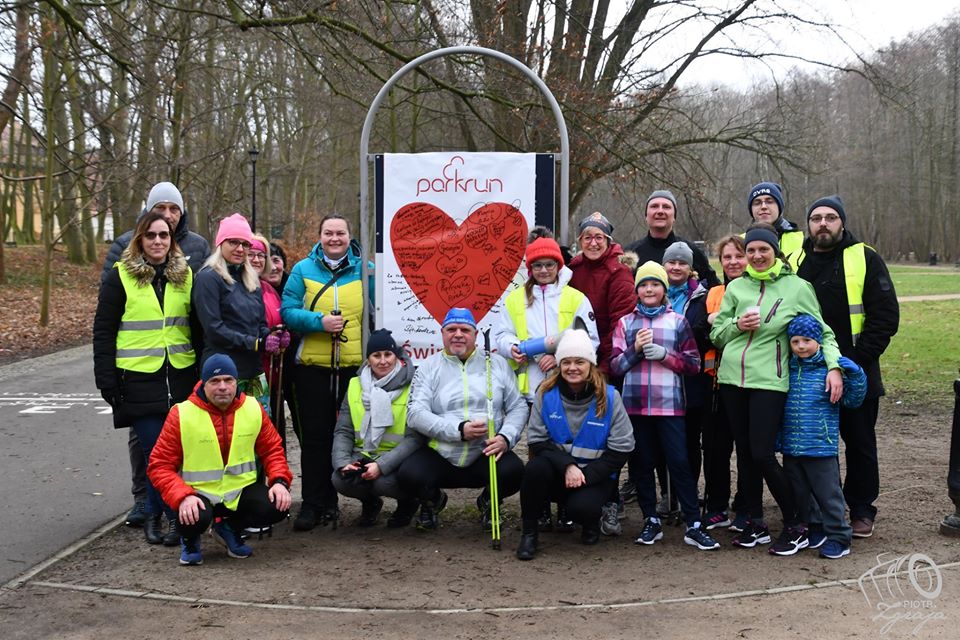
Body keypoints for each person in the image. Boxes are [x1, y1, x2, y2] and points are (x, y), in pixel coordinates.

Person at [710, 223, 844, 556]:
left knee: (763, 454)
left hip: (770, 382)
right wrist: (737, 325)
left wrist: (834, 367)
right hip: (732, 381)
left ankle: (797, 522)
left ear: (775, 252)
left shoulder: (797, 287)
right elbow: (717, 335)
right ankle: (755, 523)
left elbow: (824, 333)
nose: (756, 256)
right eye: (750, 250)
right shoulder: (736, 288)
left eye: (763, 250)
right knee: (745, 454)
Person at [100, 181, 210, 529]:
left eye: (164, 235)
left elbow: (197, 327)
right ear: (140, 239)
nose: (158, 240)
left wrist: (203, 371)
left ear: (172, 239)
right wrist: (106, 380)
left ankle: (164, 515)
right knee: (154, 451)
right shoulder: (120, 276)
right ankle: (165, 515)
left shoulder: (185, 276)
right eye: (151, 235)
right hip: (138, 377)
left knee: (174, 452)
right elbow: (104, 331)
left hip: (179, 376)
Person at [795, 195, 900, 538]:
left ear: (842, 222)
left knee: (859, 443)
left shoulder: (864, 257)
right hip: (808, 374)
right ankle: (819, 508)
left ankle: (861, 509)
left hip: (857, 370)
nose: (823, 224)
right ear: (809, 224)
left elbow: (885, 317)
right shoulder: (796, 260)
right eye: (816, 218)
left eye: (830, 217)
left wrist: (851, 363)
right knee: (811, 443)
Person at [610, 261, 719, 551]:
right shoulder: (625, 323)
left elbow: (693, 364)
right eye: (644, 285)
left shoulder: (678, 322)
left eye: (655, 284)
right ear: (637, 290)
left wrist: (664, 355)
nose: (649, 289)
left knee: (679, 462)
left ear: (664, 289)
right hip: (635, 407)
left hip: (670, 406)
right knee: (642, 463)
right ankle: (650, 519)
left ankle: (693, 523)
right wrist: (635, 351)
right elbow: (615, 366)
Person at [148, 354, 292, 566]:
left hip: (238, 493)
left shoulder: (253, 408)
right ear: (203, 384)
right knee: (193, 515)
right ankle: (190, 540)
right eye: (215, 381)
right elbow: (159, 465)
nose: (222, 387)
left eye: (228, 380)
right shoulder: (181, 413)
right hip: (196, 495)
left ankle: (228, 529)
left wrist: (279, 481)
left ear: (236, 382)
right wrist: (182, 496)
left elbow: (272, 450)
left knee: (278, 505)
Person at [496, 237, 599, 532]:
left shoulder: (576, 298)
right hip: (531, 388)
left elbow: (591, 339)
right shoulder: (515, 299)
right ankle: (540, 506)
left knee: (567, 445)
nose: (543, 270)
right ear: (530, 269)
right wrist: (513, 348)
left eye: (549, 265)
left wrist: (559, 356)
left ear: (558, 266)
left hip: (568, 387)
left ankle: (566, 503)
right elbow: (501, 334)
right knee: (537, 449)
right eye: (537, 265)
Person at [397, 308, 528, 531]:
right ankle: (433, 500)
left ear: (475, 335)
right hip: (440, 452)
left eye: (465, 330)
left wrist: (505, 438)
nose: (458, 334)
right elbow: (415, 413)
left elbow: (518, 406)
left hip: (484, 451)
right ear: (442, 333)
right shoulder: (429, 366)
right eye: (451, 329)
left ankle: (489, 501)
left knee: (514, 471)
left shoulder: (496, 364)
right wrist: (458, 430)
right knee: (408, 475)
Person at [281, 213, 368, 531]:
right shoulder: (302, 270)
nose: (334, 238)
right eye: (328, 233)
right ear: (319, 237)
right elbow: (287, 311)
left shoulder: (366, 270)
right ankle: (314, 503)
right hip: (312, 369)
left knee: (354, 437)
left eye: (340, 233)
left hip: (352, 369)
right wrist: (319, 323)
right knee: (315, 438)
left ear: (349, 236)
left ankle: (364, 499)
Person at [515, 329, 634, 559]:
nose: (572, 368)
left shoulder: (610, 397)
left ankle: (590, 521)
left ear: (590, 364)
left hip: (595, 476)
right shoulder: (545, 393)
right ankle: (529, 533)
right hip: (558, 471)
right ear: (559, 364)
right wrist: (568, 465)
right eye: (566, 362)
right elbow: (537, 441)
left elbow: (621, 449)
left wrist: (585, 476)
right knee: (533, 470)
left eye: (579, 362)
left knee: (582, 509)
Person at [780, 314, 867, 559]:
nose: (801, 346)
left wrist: (856, 376)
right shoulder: (787, 369)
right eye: (795, 341)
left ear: (818, 341)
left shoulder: (830, 373)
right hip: (792, 446)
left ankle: (839, 536)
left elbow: (853, 400)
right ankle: (814, 528)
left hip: (820, 445)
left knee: (828, 495)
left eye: (807, 340)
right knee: (801, 493)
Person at [331, 329, 420, 528]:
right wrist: (343, 463)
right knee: (340, 479)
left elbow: (414, 439)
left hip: (400, 458)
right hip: (365, 453)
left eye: (388, 354)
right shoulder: (355, 384)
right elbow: (343, 430)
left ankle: (409, 502)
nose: (383, 361)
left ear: (396, 356)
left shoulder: (413, 385)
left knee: (383, 482)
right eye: (376, 355)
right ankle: (371, 503)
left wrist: (382, 466)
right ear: (368, 359)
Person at [193, 214, 280, 413]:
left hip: (253, 370)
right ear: (221, 243)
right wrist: (255, 343)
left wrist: (271, 336)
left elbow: (260, 324)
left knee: (258, 426)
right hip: (222, 373)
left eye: (245, 244)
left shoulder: (251, 279)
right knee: (227, 428)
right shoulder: (208, 278)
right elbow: (214, 328)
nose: (240, 249)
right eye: (233, 242)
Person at [701, 235, 750, 532]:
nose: (733, 262)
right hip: (715, 383)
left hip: (748, 382)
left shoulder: (759, 292)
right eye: (727, 257)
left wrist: (722, 325)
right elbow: (700, 332)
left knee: (747, 449)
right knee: (715, 449)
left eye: (738, 256)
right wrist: (713, 325)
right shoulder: (712, 293)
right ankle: (717, 505)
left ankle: (745, 505)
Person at [657, 241, 710, 511]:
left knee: (690, 439)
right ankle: (668, 493)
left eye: (682, 263)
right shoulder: (653, 291)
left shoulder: (701, 297)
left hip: (691, 379)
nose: (676, 267)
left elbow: (702, 332)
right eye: (672, 262)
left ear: (691, 268)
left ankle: (688, 491)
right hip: (659, 376)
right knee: (661, 439)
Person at [567, 212, 637, 376]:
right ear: (580, 241)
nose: (593, 243)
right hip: (576, 357)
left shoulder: (619, 272)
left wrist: (603, 369)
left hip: (607, 361)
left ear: (607, 240)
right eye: (587, 238)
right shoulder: (573, 270)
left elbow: (620, 325)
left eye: (599, 237)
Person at [625, 190, 719, 287]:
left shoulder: (692, 252)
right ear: (646, 215)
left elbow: (715, 288)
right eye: (654, 206)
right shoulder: (629, 254)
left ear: (674, 216)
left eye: (666, 207)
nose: (660, 211)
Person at [746, 182, 804, 269]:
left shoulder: (801, 241)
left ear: (779, 207)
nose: (763, 206)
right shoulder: (740, 242)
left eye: (769, 201)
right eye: (757, 203)